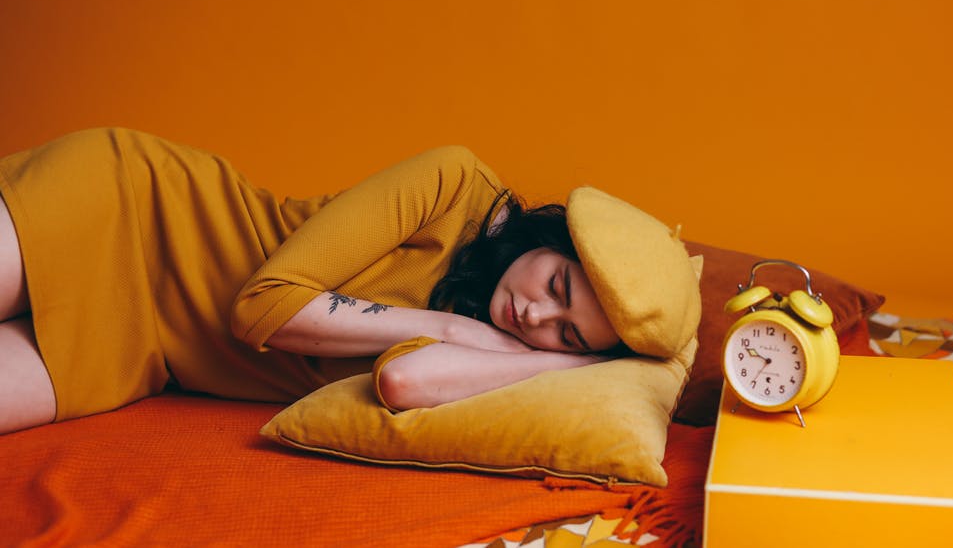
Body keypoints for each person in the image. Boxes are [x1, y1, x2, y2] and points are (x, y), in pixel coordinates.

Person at [0, 128, 699, 435]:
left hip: (142, 348)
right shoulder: (454, 183)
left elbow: (404, 384)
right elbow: (261, 305)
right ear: (555, 239)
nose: (534, 315)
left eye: (567, 332)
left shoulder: (511, 354)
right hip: (129, 208)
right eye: (556, 285)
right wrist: (455, 327)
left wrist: (548, 361)